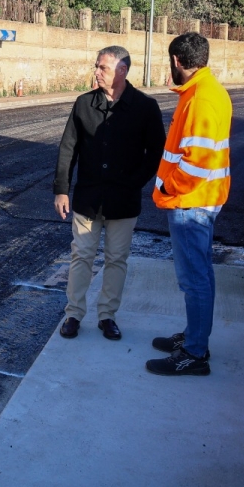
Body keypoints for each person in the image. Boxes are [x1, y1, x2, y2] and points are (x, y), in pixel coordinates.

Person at [54, 46, 166, 341]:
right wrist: (61, 190)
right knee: (82, 256)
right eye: (97, 66)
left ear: (122, 71)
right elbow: (68, 148)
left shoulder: (144, 107)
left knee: (117, 258)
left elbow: (156, 151)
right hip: (88, 197)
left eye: (102, 67)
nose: (96, 72)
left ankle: (107, 316)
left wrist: (135, 182)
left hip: (123, 199)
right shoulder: (83, 104)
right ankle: (73, 314)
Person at [146, 32, 232, 377]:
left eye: (172, 63)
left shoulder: (201, 99)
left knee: (194, 279)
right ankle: (195, 338)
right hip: (198, 201)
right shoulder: (205, 92)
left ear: (177, 61)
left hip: (191, 203)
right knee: (200, 276)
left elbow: (198, 162)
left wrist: (169, 186)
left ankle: (194, 353)